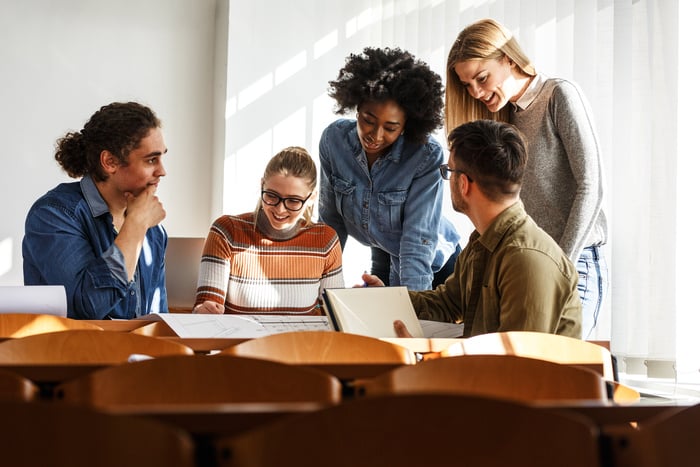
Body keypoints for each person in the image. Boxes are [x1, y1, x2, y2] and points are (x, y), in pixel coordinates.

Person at [444, 19, 607, 338]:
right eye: (467, 85)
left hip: (575, 261)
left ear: (508, 58)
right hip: (527, 265)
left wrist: (561, 265)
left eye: (481, 78)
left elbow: (591, 186)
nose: (476, 92)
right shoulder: (504, 117)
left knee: (552, 372)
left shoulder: (559, 95)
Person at [363, 120, 582, 339]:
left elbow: (518, 366)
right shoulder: (483, 241)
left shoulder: (526, 260)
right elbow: (448, 304)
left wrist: (423, 357)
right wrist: (387, 300)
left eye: (448, 171)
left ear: (463, 184)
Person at [318, 46, 462, 292]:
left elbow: (416, 242)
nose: (375, 136)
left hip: (434, 266)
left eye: (391, 127)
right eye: (368, 120)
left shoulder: (425, 156)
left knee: (407, 324)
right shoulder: (335, 141)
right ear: (356, 107)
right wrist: (321, 289)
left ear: (407, 125)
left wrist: (414, 308)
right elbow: (330, 224)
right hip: (384, 251)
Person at [22, 102, 168, 319]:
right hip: (72, 351)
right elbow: (88, 308)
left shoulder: (154, 231)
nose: (162, 171)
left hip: (135, 352)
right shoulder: (53, 214)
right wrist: (135, 226)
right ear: (110, 162)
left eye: (162, 158)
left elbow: (156, 319)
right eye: (151, 160)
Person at [194, 146, 344, 315]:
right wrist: (204, 311)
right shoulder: (227, 231)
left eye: (293, 201)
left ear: (312, 198)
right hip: (241, 341)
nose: (280, 209)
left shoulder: (325, 240)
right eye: (271, 195)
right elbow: (205, 308)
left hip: (301, 341)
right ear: (262, 185)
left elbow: (334, 317)